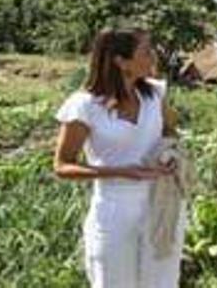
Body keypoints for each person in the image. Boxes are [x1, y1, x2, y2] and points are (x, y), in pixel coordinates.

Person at [53, 27, 187, 287]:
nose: (153, 58)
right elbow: (62, 166)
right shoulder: (84, 105)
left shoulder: (155, 94)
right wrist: (121, 172)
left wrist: (171, 152)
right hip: (113, 212)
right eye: (146, 52)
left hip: (160, 205)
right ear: (121, 61)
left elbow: (170, 131)